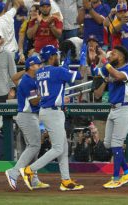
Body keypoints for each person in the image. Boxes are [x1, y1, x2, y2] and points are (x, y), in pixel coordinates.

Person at [19, 45, 84, 191]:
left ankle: (65, 180)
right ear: (52, 57)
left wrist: (64, 67)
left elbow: (54, 80)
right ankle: (29, 170)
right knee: (58, 148)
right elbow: (80, 75)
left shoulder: (40, 71)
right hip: (53, 113)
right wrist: (83, 62)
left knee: (63, 148)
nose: (58, 57)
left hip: (46, 110)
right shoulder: (58, 70)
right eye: (56, 55)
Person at [94, 45, 128, 189]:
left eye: (114, 54)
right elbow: (97, 91)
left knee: (116, 144)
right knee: (108, 144)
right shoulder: (109, 69)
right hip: (113, 109)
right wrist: (100, 61)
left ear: (122, 56)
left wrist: (105, 61)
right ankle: (127, 171)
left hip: (125, 109)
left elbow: (118, 75)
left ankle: (116, 178)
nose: (111, 56)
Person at [5, 56, 49, 191]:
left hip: (31, 116)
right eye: (37, 65)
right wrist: (48, 94)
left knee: (33, 149)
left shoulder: (30, 78)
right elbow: (34, 101)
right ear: (31, 66)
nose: (40, 66)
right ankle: (14, 172)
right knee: (34, 146)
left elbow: (13, 78)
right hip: (27, 116)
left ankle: (33, 179)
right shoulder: (28, 81)